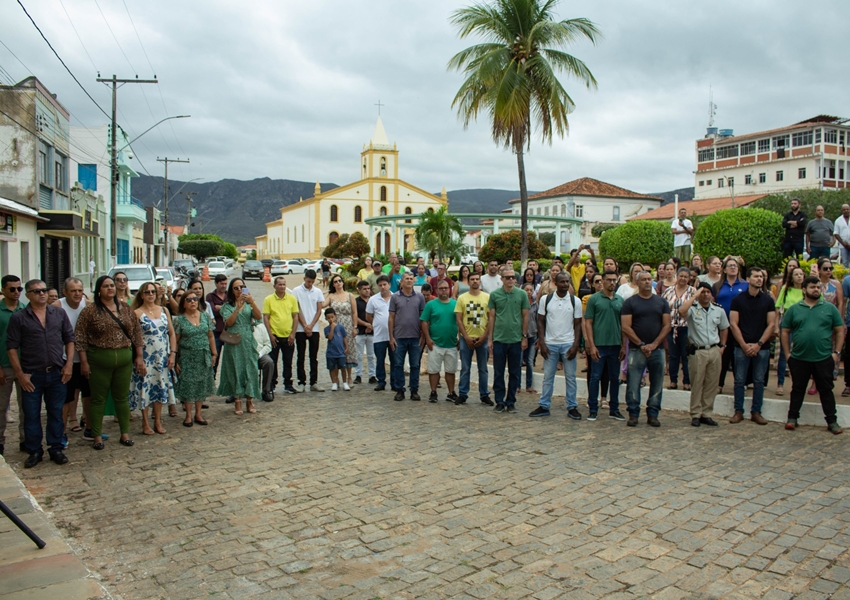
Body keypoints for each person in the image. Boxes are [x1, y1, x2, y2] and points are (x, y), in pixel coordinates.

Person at [6, 280, 74, 467]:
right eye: (36, 292)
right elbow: (11, 347)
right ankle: (34, 450)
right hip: (32, 374)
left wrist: (68, 364)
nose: (42, 294)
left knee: (55, 412)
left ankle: (56, 447)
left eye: (44, 290)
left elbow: (69, 339)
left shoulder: (58, 313)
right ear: (28, 295)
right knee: (31, 414)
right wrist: (20, 374)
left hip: (56, 373)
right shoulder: (19, 318)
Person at [75, 276, 145, 450]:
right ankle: (96, 435)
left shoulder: (126, 309)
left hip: (123, 359)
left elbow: (136, 334)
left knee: (122, 398)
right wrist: (83, 361)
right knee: (98, 399)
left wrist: (139, 356)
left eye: (112, 285)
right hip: (99, 359)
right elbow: (80, 337)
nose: (110, 289)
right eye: (106, 286)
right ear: (99, 290)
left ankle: (125, 434)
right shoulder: (90, 311)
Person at [782, 276, 844, 434]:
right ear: (804, 290)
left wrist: (836, 353)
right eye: (812, 287)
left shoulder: (830, 308)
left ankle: (832, 421)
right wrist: (788, 354)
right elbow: (785, 331)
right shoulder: (795, 309)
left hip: (823, 358)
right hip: (799, 358)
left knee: (826, 390)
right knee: (797, 389)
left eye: (818, 287)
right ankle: (792, 418)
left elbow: (839, 330)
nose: (816, 290)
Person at [621, 271, 671, 427]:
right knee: (633, 383)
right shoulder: (630, 303)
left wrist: (654, 344)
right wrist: (642, 344)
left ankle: (653, 414)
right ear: (637, 282)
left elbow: (667, 325)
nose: (647, 282)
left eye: (649, 279)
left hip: (658, 350)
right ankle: (633, 413)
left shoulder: (661, 302)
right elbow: (626, 327)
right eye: (643, 280)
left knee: (657, 383)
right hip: (637, 350)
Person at [530, 273, 582, 419]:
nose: (566, 284)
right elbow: (540, 321)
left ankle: (572, 406)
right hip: (550, 343)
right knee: (548, 377)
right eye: (563, 282)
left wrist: (575, 345)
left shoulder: (575, 301)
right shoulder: (546, 300)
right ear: (556, 283)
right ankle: (544, 405)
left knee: (571, 377)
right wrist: (542, 342)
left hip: (568, 343)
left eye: (567, 281)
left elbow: (578, 324)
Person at [728, 267, 775, 425]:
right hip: (741, 346)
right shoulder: (738, 300)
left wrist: (759, 344)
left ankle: (756, 412)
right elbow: (733, 324)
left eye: (761, 276)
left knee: (759, 381)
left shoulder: (768, 300)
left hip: (762, 347)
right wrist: (743, 345)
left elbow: (771, 324)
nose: (759, 279)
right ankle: (738, 411)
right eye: (756, 276)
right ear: (748, 279)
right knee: (739, 381)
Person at [128, 282, 177, 435]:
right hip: (145, 356)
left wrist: (173, 353)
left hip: (162, 356)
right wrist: (139, 358)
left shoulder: (164, 310)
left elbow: (172, 333)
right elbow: (134, 337)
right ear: (141, 294)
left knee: (160, 387)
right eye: (147, 292)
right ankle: (145, 422)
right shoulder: (136, 313)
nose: (150, 294)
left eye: (153, 292)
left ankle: (157, 420)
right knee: (145, 388)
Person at [678, 282, 729, 427]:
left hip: (714, 349)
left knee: (711, 384)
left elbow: (724, 327)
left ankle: (707, 413)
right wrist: (694, 295)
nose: (705, 294)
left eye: (708, 292)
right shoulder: (692, 309)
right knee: (697, 383)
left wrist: (723, 345)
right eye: (703, 292)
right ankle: (695, 413)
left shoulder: (718, 309)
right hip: (698, 350)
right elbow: (681, 312)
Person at [486, 267, 529, 413]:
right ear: (502, 279)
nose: (511, 280)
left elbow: (525, 316)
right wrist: (490, 339)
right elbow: (491, 317)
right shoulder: (494, 295)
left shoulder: (522, 294)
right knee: (498, 372)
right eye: (508, 277)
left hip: (516, 339)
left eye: (513, 277)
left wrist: (524, 337)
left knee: (514, 372)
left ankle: (511, 401)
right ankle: (499, 400)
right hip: (499, 338)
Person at [584, 270, 625, 421]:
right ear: (603, 281)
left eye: (614, 280)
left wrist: (623, 345)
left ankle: (614, 409)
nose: (612, 283)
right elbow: (588, 322)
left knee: (614, 378)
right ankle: (593, 408)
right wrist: (591, 344)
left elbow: (624, 325)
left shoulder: (620, 300)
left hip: (615, 345)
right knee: (595, 377)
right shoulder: (594, 299)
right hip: (599, 345)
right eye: (609, 280)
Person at [218, 279, 262, 415]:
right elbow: (228, 323)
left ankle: (249, 399)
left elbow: (259, 317)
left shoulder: (249, 303)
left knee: (251, 369)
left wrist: (252, 302)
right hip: (234, 341)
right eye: (236, 288)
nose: (239, 290)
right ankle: (237, 400)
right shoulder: (227, 306)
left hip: (248, 340)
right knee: (235, 369)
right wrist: (238, 308)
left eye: (242, 287)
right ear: (231, 290)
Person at [53, 278, 88, 443]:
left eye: (80, 290)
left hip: (84, 358)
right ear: (65, 292)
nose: (77, 294)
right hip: (64, 359)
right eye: (73, 290)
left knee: (88, 394)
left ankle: (89, 427)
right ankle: (61, 434)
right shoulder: (56, 307)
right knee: (66, 397)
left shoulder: (87, 305)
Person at [173, 292, 216, 427]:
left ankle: (198, 413)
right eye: (189, 300)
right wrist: (174, 358)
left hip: (203, 355)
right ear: (184, 303)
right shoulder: (179, 320)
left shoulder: (205, 316)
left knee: (201, 384)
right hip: (187, 356)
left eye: (195, 299)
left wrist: (214, 353)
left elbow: (210, 336)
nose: (193, 302)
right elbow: (175, 340)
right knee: (188, 384)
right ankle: (188, 415)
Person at [455, 272, 491, 406]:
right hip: (466, 339)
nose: (475, 281)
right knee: (465, 368)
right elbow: (459, 319)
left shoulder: (487, 297)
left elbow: (491, 319)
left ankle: (484, 394)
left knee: (483, 368)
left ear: (480, 282)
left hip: (482, 339)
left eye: (477, 279)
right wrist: (465, 336)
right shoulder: (462, 298)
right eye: (472, 279)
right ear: (468, 282)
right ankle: (463, 394)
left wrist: (484, 336)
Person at [712, 257, 748, 394]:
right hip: (721, 326)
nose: (733, 268)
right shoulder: (718, 286)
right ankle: (719, 384)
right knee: (723, 355)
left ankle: (741, 382)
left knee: (738, 355)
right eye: (730, 265)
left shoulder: (745, 285)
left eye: (735, 266)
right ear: (725, 269)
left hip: (740, 325)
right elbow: (713, 304)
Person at [389, 272, 426, 401]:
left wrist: (423, 335)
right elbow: (391, 317)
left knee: (415, 365)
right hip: (399, 336)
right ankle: (400, 390)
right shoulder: (395, 297)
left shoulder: (420, 297)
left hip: (415, 336)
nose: (409, 281)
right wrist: (391, 336)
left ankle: (414, 390)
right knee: (398, 365)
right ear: (402, 281)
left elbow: (423, 317)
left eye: (411, 279)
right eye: (407, 279)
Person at [420, 280, 458, 402]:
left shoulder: (455, 304)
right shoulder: (431, 305)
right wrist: (428, 339)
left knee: (450, 370)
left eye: (446, 288)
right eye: (441, 288)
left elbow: (461, 322)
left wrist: (460, 338)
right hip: (435, 343)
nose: (443, 290)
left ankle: (451, 392)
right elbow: (424, 322)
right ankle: (433, 392)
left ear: (449, 289)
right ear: (437, 289)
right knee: (433, 370)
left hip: (451, 343)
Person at [262, 276, 300, 397]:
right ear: (275, 286)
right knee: (272, 362)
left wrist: (293, 334)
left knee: (288, 362)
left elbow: (295, 317)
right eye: (280, 285)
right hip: (274, 336)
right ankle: (271, 384)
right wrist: (270, 334)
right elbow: (266, 318)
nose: (282, 287)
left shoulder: (292, 299)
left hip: (288, 336)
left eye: (284, 284)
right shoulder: (268, 300)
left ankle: (288, 384)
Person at [0, 275, 24, 456]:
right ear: (3, 290)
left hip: (25, 365)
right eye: (12, 289)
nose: (16, 293)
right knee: (1, 406)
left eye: (19, 289)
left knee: (27, 407)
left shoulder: (25, 309)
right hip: (5, 365)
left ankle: (26, 440)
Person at [663, 267, 696, 391]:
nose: (683, 279)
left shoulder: (693, 292)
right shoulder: (669, 291)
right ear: (677, 276)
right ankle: (673, 381)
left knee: (686, 355)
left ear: (689, 278)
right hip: (671, 327)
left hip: (686, 328)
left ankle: (687, 382)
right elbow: (663, 307)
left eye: (685, 277)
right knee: (673, 355)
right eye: (681, 276)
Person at [323, 274, 359, 386]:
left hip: (348, 324)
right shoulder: (331, 296)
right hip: (335, 326)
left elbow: (354, 312)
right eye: (335, 281)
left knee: (348, 351)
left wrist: (355, 327)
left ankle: (349, 378)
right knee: (337, 349)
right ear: (333, 284)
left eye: (339, 280)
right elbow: (322, 305)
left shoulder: (350, 295)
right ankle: (336, 378)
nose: (338, 283)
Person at [293, 270, 326, 392]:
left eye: (312, 282)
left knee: (314, 356)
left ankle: (314, 381)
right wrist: (305, 325)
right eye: (308, 281)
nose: (310, 284)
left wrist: (311, 325)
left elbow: (319, 310)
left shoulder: (317, 291)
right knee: (301, 355)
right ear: (304, 279)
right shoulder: (296, 291)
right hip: (300, 328)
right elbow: (296, 309)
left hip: (315, 328)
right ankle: (301, 381)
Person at [775, 266, 805, 396]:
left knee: (801, 355)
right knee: (784, 354)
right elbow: (777, 308)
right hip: (787, 325)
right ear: (791, 277)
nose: (799, 276)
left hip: (803, 326)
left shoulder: (806, 290)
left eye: (801, 274)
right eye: (796, 274)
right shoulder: (785, 289)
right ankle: (780, 383)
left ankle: (797, 384)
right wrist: (776, 326)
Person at [366, 275, 393, 392]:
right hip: (379, 336)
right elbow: (368, 316)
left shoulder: (396, 297)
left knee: (395, 360)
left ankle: (395, 382)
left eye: (384, 284)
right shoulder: (373, 299)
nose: (383, 287)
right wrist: (377, 324)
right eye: (380, 285)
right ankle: (381, 381)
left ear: (389, 285)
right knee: (380, 360)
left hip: (393, 336)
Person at [354, 280, 376, 385]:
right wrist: (365, 324)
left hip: (372, 332)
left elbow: (377, 315)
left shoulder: (373, 300)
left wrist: (371, 326)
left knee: (371, 355)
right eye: (364, 289)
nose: (367, 291)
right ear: (359, 290)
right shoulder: (356, 301)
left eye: (368, 288)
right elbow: (354, 316)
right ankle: (358, 375)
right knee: (358, 354)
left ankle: (372, 375)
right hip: (360, 331)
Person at [206, 274, 228, 374]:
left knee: (229, 361)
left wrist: (220, 308)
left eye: (225, 284)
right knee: (214, 357)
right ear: (216, 284)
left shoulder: (229, 295)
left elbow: (232, 311)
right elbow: (212, 312)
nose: (223, 286)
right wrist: (225, 309)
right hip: (215, 332)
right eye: (221, 284)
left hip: (228, 331)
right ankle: (212, 378)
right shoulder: (210, 296)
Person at [323, 307, 349, 391]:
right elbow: (330, 337)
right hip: (331, 353)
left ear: (335, 316)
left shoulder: (340, 327)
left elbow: (344, 337)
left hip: (340, 352)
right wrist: (332, 328)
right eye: (328, 318)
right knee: (332, 368)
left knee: (343, 367)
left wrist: (346, 347)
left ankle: (345, 382)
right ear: (326, 319)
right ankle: (334, 382)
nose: (331, 319)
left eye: (332, 317)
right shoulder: (326, 329)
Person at [521, 283, 538, 394]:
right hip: (521, 335)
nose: (529, 292)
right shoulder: (519, 303)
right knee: (518, 362)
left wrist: (540, 337)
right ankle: (517, 386)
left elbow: (538, 320)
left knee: (530, 362)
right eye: (526, 290)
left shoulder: (536, 304)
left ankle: (529, 385)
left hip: (533, 335)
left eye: (531, 290)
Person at [253, 317, 274, 403]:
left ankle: (266, 390)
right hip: (244, 355)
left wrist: (259, 354)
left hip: (259, 354)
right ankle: (235, 392)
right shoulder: (241, 326)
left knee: (268, 362)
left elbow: (268, 345)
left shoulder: (260, 327)